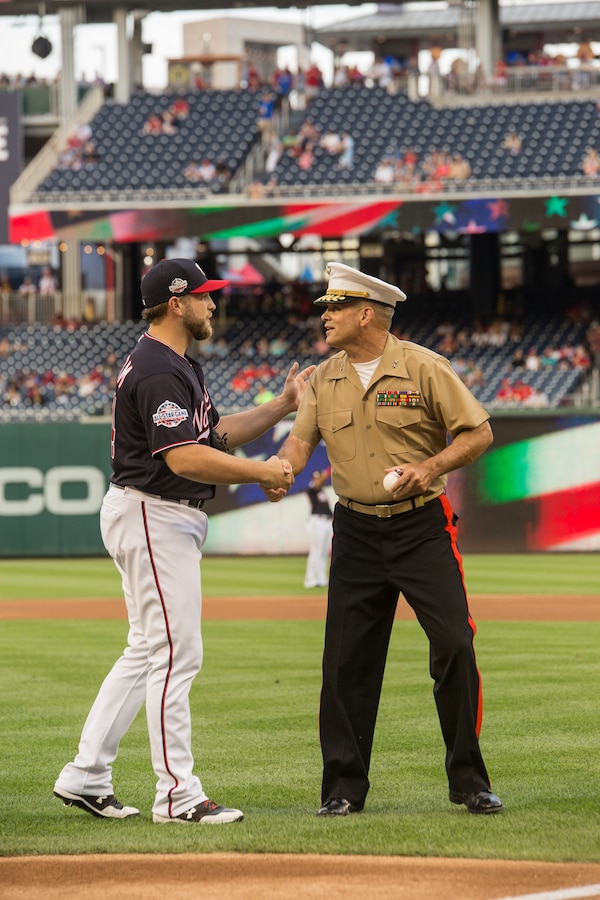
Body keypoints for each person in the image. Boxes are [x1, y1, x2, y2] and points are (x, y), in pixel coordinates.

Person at [54, 258, 313, 825]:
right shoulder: (157, 369)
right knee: (176, 652)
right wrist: (263, 473)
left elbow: (214, 435)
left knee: (148, 650)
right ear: (177, 303)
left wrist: (280, 405)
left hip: (156, 513)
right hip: (155, 512)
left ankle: (86, 773)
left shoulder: (173, 363)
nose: (211, 304)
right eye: (203, 296)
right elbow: (185, 457)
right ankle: (177, 795)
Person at [264, 262, 503, 818]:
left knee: (455, 644)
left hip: (422, 526)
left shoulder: (424, 367)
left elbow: (479, 430)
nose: (324, 316)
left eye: (334, 307)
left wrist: (431, 465)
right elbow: (300, 445)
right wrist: (279, 472)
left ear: (365, 313)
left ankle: (469, 780)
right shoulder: (323, 378)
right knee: (346, 661)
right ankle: (344, 789)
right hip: (355, 529)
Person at [303, 467, 333, 589]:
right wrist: (329, 471)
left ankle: (321, 579)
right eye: (316, 477)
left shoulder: (322, 491)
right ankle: (310, 579)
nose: (319, 479)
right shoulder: (312, 488)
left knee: (324, 552)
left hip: (326, 521)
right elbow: (318, 483)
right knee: (316, 550)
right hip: (317, 521)